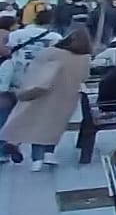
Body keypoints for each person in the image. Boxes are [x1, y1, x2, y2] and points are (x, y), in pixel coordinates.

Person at [0, 27, 93, 169]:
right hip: (66, 96)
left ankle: (34, 158)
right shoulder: (85, 58)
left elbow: (36, 69)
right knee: (53, 126)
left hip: (42, 93)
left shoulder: (52, 52)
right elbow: (85, 77)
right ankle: (49, 153)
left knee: (37, 125)